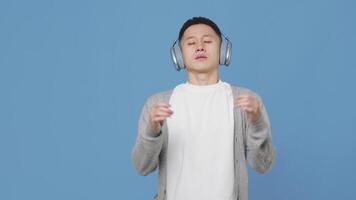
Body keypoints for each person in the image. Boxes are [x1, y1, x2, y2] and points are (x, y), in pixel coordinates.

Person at [132, 16, 276, 200]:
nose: (200, 46)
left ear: (223, 49)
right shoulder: (157, 104)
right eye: (191, 43)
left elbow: (263, 165)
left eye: (207, 41)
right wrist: (152, 131)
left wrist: (257, 123)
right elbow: (142, 167)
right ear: (179, 54)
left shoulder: (246, 101)